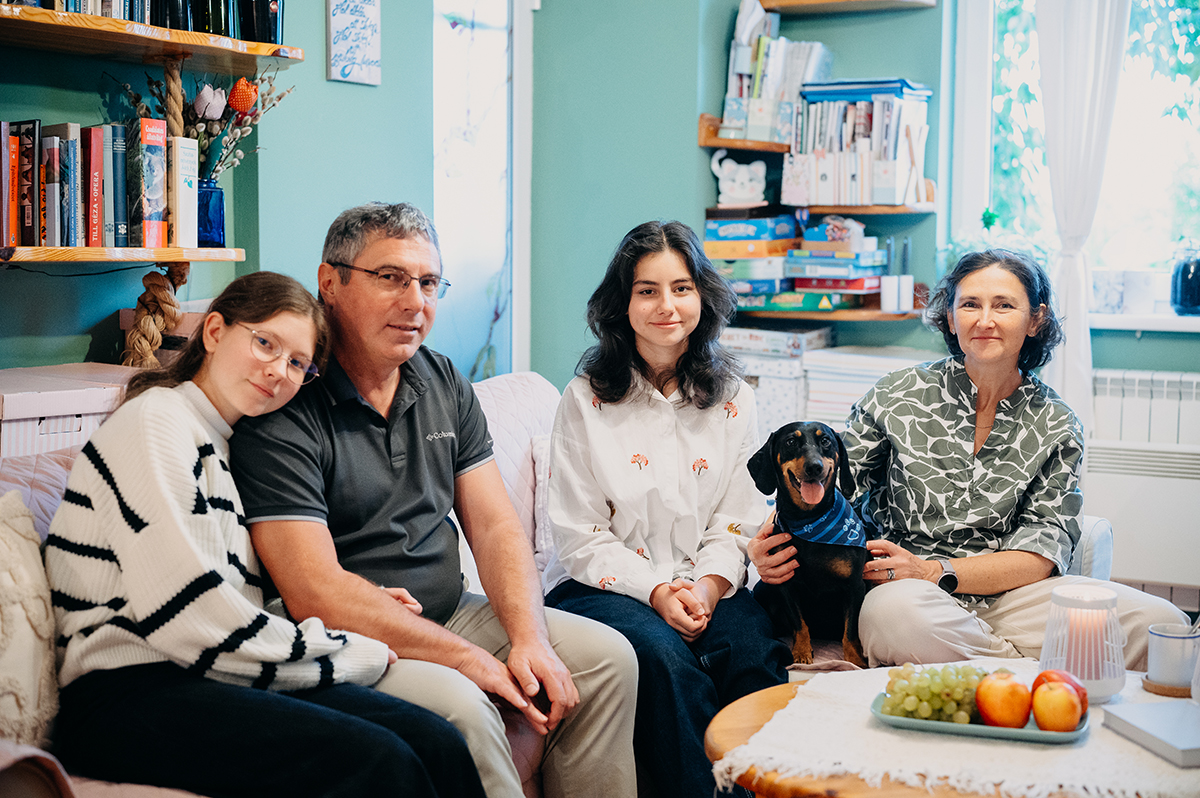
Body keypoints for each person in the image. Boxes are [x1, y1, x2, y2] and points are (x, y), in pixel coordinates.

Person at [228, 203, 638, 798]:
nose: (414, 301)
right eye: (390, 277)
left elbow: (496, 526)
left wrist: (529, 638)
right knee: (463, 709)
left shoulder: (444, 381)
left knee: (609, 661)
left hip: (455, 610)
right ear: (330, 283)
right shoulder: (286, 402)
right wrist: (470, 661)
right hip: (357, 640)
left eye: (428, 282)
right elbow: (314, 590)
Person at [45, 272, 485, 798]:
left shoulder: (224, 444)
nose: (279, 370)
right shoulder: (157, 423)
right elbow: (194, 619)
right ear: (214, 332)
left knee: (433, 738)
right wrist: (351, 649)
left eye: (299, 363)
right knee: (380, 760)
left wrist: (362, 606)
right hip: (123, 694)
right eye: (265, 343)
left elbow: (227, 606)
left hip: (200, 672)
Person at [749, 248, 1189, 669]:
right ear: (950, 316)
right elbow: (828, 488)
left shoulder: (1057, 423)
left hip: (1013, 594)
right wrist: (764, 543)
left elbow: (1043, 551)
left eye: (1004, 305)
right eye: (970, 304)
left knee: (1160, 624)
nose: (984, 320)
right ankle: (1032, 668)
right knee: (894, 620)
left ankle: (990, 661)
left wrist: (938, 570)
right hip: (906, 592)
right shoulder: (895, 396)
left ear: (1036, 319)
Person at [541, 220, 792, 798]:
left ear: (702, 296)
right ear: (621, 303)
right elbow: (580, 535)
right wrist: (656, 591)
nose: (666, 306)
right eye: (646, 290)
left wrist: (704, 589)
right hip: (604, 587)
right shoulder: (585, 398)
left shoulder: (735, 397)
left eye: (681, 288)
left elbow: (739, 518)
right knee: (662, 660)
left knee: (754, 649)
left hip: (705, 581)